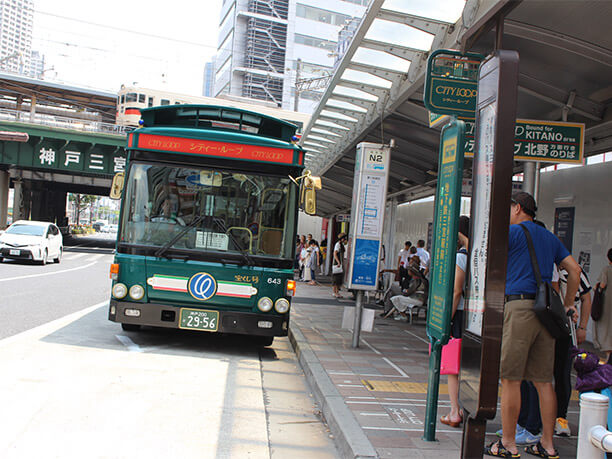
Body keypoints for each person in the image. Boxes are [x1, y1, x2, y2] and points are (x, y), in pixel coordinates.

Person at [486, 191, 581, 458]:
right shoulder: (551, 238)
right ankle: (547, 445)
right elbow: (575, 270)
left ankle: (507, 443)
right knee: (543, 381)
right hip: (547, 313)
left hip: (520, 308)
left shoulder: (512, 233)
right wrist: (570, 301)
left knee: (511, 379)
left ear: (517, 208)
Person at [554, 265, 592, 437]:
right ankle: (536, 419)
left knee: (562, 374)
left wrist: (583, 327)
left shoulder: (574, 271)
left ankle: (561, 418)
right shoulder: (546, 267)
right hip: (546, 326)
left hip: (567, 328)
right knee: (540, 377)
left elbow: (586, 298)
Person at [440, 216, 469, 428]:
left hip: (459, 315)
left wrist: (446, 319)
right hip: (475, 315)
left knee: (452, 366)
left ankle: (454, 410)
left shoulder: (461, 256)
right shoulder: (477, 255)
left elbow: (457, 290)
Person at [594, 249, 612, 360]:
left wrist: (597, 288)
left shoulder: (606, 270)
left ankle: (608, 356)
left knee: (605, 329)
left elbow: (602, 285)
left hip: (607, 304)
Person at [332, 233, 347, 298]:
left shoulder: (341, 244)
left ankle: (336, 292)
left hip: (339, 264)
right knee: (336, 279)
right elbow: (335, 254)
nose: (345, 239)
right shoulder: (338, 245)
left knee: (338, 279)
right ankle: (335, 292)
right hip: (337, 264)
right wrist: (338, 262)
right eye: (344, 238)